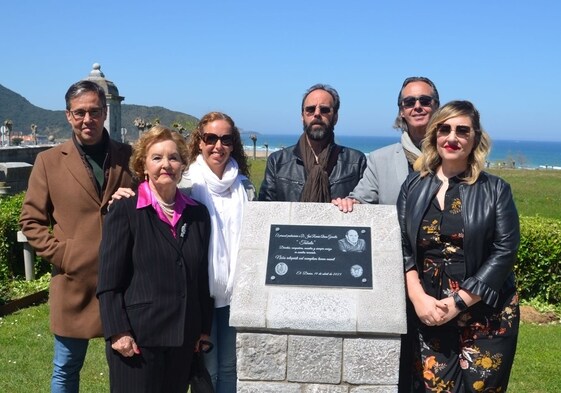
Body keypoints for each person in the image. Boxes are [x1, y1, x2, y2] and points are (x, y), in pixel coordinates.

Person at [397, 101, 520, 392]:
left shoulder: (495, 190)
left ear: (475, 138)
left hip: (487, 315)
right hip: (430, 312)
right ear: (434, 135)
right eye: (445, 129)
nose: (452, 138)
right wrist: (417, 298)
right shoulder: (412, 186)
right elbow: (402, 247)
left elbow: (505, 251)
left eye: (462, 130)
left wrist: (459, 302)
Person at [19, 80, 133, 393]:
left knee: (129, 369)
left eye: (94, 111)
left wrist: (133, 200)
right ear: (69, 116)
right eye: (80, 112)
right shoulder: (49, 161)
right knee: (66, 368)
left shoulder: (129, 157)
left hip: (125, 284)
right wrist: (65, 256)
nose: (88, 119)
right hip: (73, 283)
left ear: (105, 112)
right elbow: (31, 220)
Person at [97, 125, 214, 392]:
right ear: (143, 165)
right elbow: (108, 281)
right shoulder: (125, 210)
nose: (166, 165)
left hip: (184, 339)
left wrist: (203, 329)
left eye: (173, 157)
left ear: (183, 164)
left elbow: (201, 278)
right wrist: (118, 332)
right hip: (138, 341)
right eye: (157, 158)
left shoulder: (198, 215)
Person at [181, 112, 255, 393]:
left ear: (233, 144)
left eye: (225, 139)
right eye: (210, 138)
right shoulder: (186, 184)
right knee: (207, 369)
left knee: (230, 367)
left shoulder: (245, 187)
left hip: (236, 292)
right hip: (201, 294)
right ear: (199, 142)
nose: (218, 146)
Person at [333, 76, 439, 211]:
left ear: (436, 107)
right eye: (409, 102)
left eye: (425, 101)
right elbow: (361, 199)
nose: (417, 106)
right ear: (402, 111)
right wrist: (349, 203)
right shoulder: (379, 160)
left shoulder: (453, 154)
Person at [259, 83, 366, 202]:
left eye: (324, 110)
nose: (317, 114)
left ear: (335, 117)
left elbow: (366, 208)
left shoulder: (356, 162)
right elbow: (265, 210)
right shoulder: (278, 162)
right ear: (302, 116)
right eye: (310, 109)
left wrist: (354, 204)